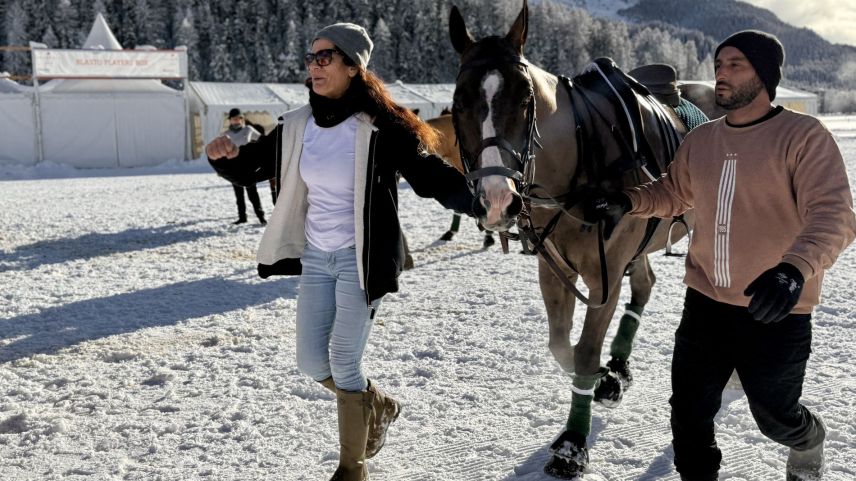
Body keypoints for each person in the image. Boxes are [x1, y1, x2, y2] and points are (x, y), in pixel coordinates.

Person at [206, 23, 474, 481]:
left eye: (325, 57)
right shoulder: (297, 124)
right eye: (310, 58)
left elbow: (432, 177)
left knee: (344, 360)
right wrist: (223, 157)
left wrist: (486, 202)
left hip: (361, 259)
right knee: (311, 362)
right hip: (316, 257)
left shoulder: (383, 125)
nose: (314, 66)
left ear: (353, 66)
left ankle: (353, 467)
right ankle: (378, 404)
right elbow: (251, 168)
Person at [584, 30, 856, 481]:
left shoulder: (803, 135)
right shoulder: (702, 140)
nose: (721, 75)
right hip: (706, 302)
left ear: (765, 76)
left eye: (736, 65)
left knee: (774, 415)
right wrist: (627, 201)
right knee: (688, 412)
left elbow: (834, 216)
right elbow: (673, 193)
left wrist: (793, 271)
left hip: (777, 307)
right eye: (718, 66)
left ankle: (808, 440)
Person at [223, 108, 266, 225]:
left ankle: (261, 217)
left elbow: (262, 140)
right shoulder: (226, 135)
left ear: (242, 119)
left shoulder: (248, 129)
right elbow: (223, 153)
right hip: (233, 168)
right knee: (239, 195)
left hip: (248, 167)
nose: (236, 121)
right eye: (234, 119)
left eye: (239, 118)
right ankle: (242, 217)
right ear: (230, 120)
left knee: (253, 193)